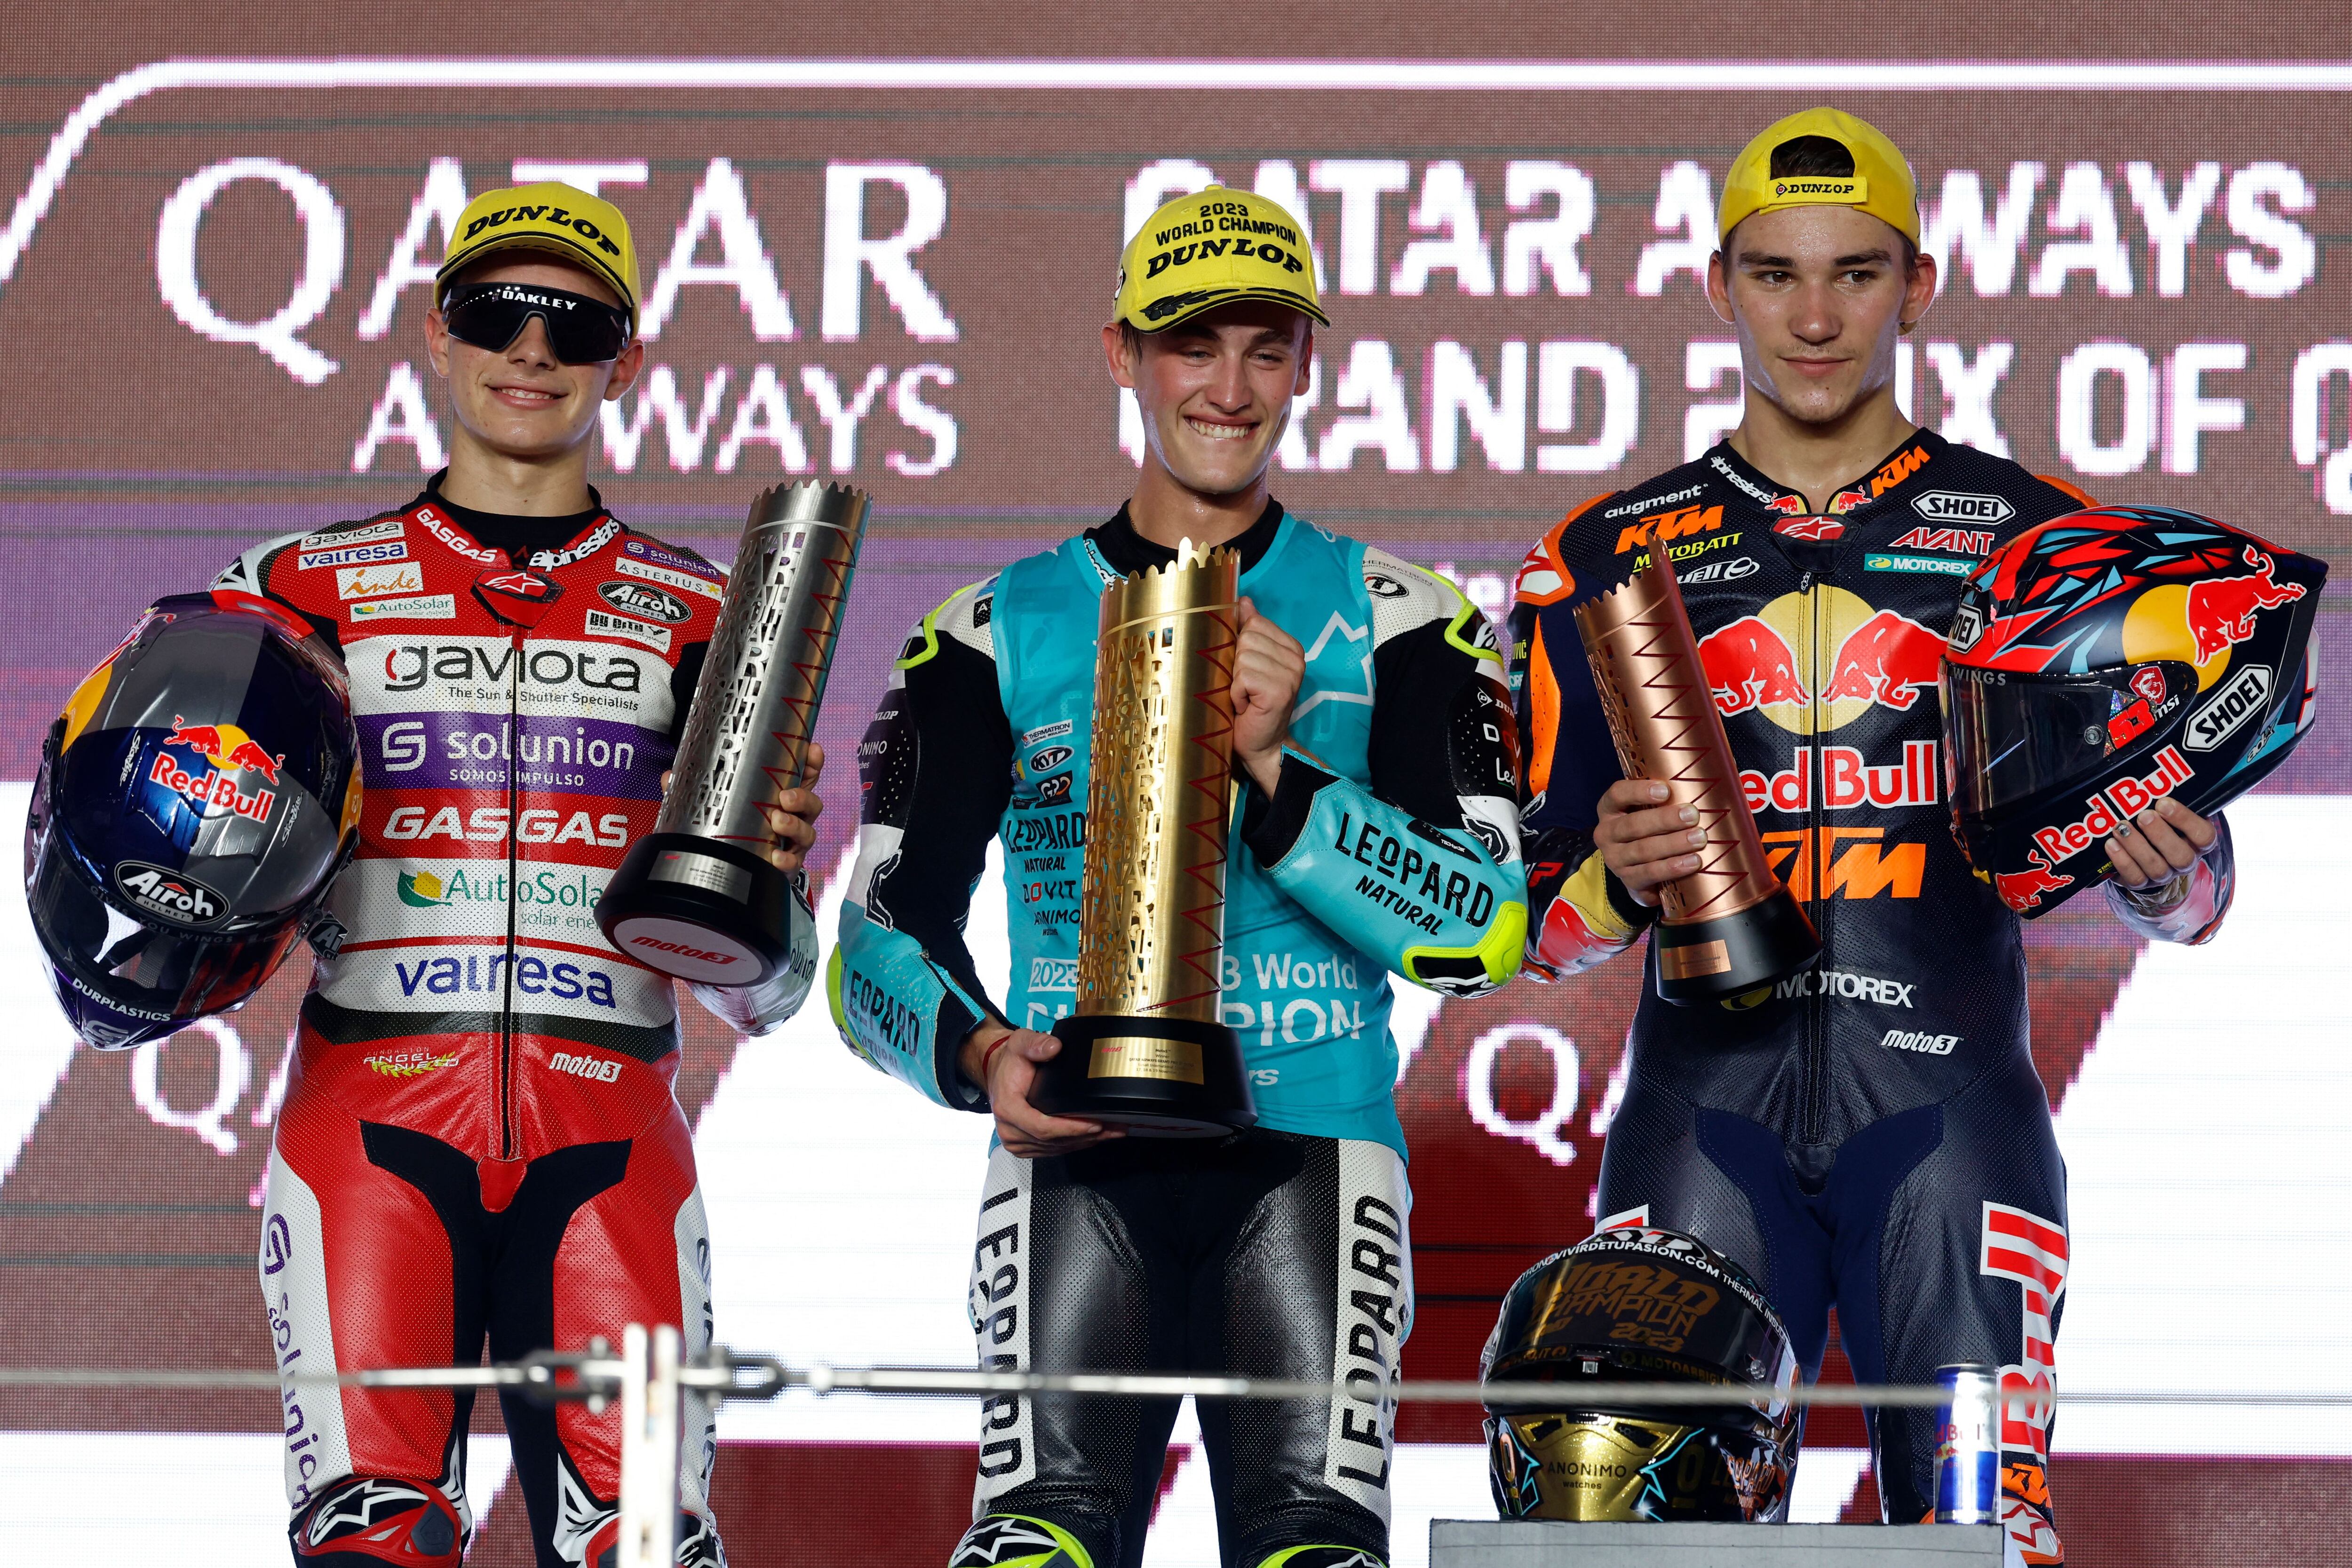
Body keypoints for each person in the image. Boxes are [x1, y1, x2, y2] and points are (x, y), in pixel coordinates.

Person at [1508, 109, 2233, 1566]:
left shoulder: (2040, 541)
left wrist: (2174, 871)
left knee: (1987, 1546)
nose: (1816, 314)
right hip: (1702, 1123)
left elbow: (2198, 896)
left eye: (1857, 271)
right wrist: (1606, 874)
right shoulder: (1603, 555)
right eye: (1776, 274)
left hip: (1956, 1126)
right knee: (1647, 1550)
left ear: (1922, 280)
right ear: (1719, 285)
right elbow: (1523, 921)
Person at [831, 184, 1526, 1568]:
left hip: (1317, 1158)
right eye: (1190, 346)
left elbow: (1485, 931)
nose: (1228, 387)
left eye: (1266, 349)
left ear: (1307, 367)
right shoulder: (989, 629)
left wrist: (1282, 772)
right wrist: (980, 1061)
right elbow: (870, 946)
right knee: (1035, 1550)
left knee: (1316, 1553)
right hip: (1078, 1158)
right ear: (1121, 355)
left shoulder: (1406, 618)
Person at [216, 183, 824, 1568]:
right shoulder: (293, 587)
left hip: (613, 1136)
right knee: (374, 1542)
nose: (533, 352)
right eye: (499, 314)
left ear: (629, 360)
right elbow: (161, 840)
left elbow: (777, 989)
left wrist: (767, 893)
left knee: (651, 1548)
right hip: (366, 1133)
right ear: (438, 335)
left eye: (576, 325)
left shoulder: (708, 618)